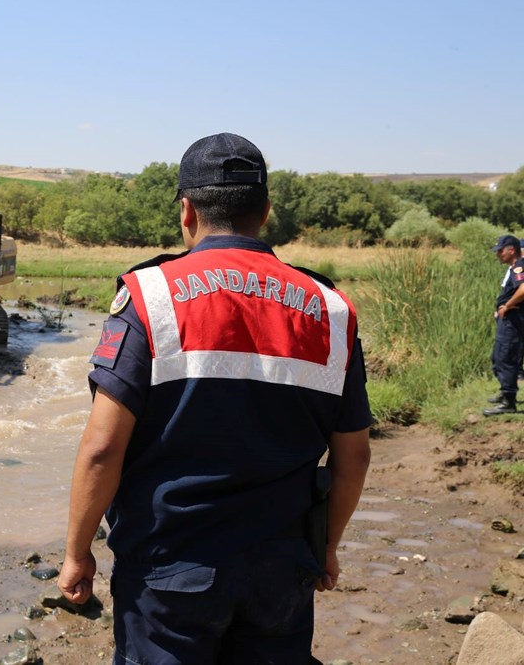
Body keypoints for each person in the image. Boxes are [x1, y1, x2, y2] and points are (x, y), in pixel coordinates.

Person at [58, 133, 372, 664]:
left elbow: (102, 449)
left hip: (171, 565)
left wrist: (76, 552)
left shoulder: (149, 297)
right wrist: (328, 548)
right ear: (265, 212)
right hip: (281, 567)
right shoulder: (331, 310)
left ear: (187, 211)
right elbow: (355, 456)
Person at [482, 234, 524, 416]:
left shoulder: (519, 267)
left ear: (511, 250)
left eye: (500, 251)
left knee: (505, 357)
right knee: (498, 357)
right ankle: (506, 393)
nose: (498, 254)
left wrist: (506, 305)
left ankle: (509, 402)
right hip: (509, 319)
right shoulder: (515, 266)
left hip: (513, 320)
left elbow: (523, 289)